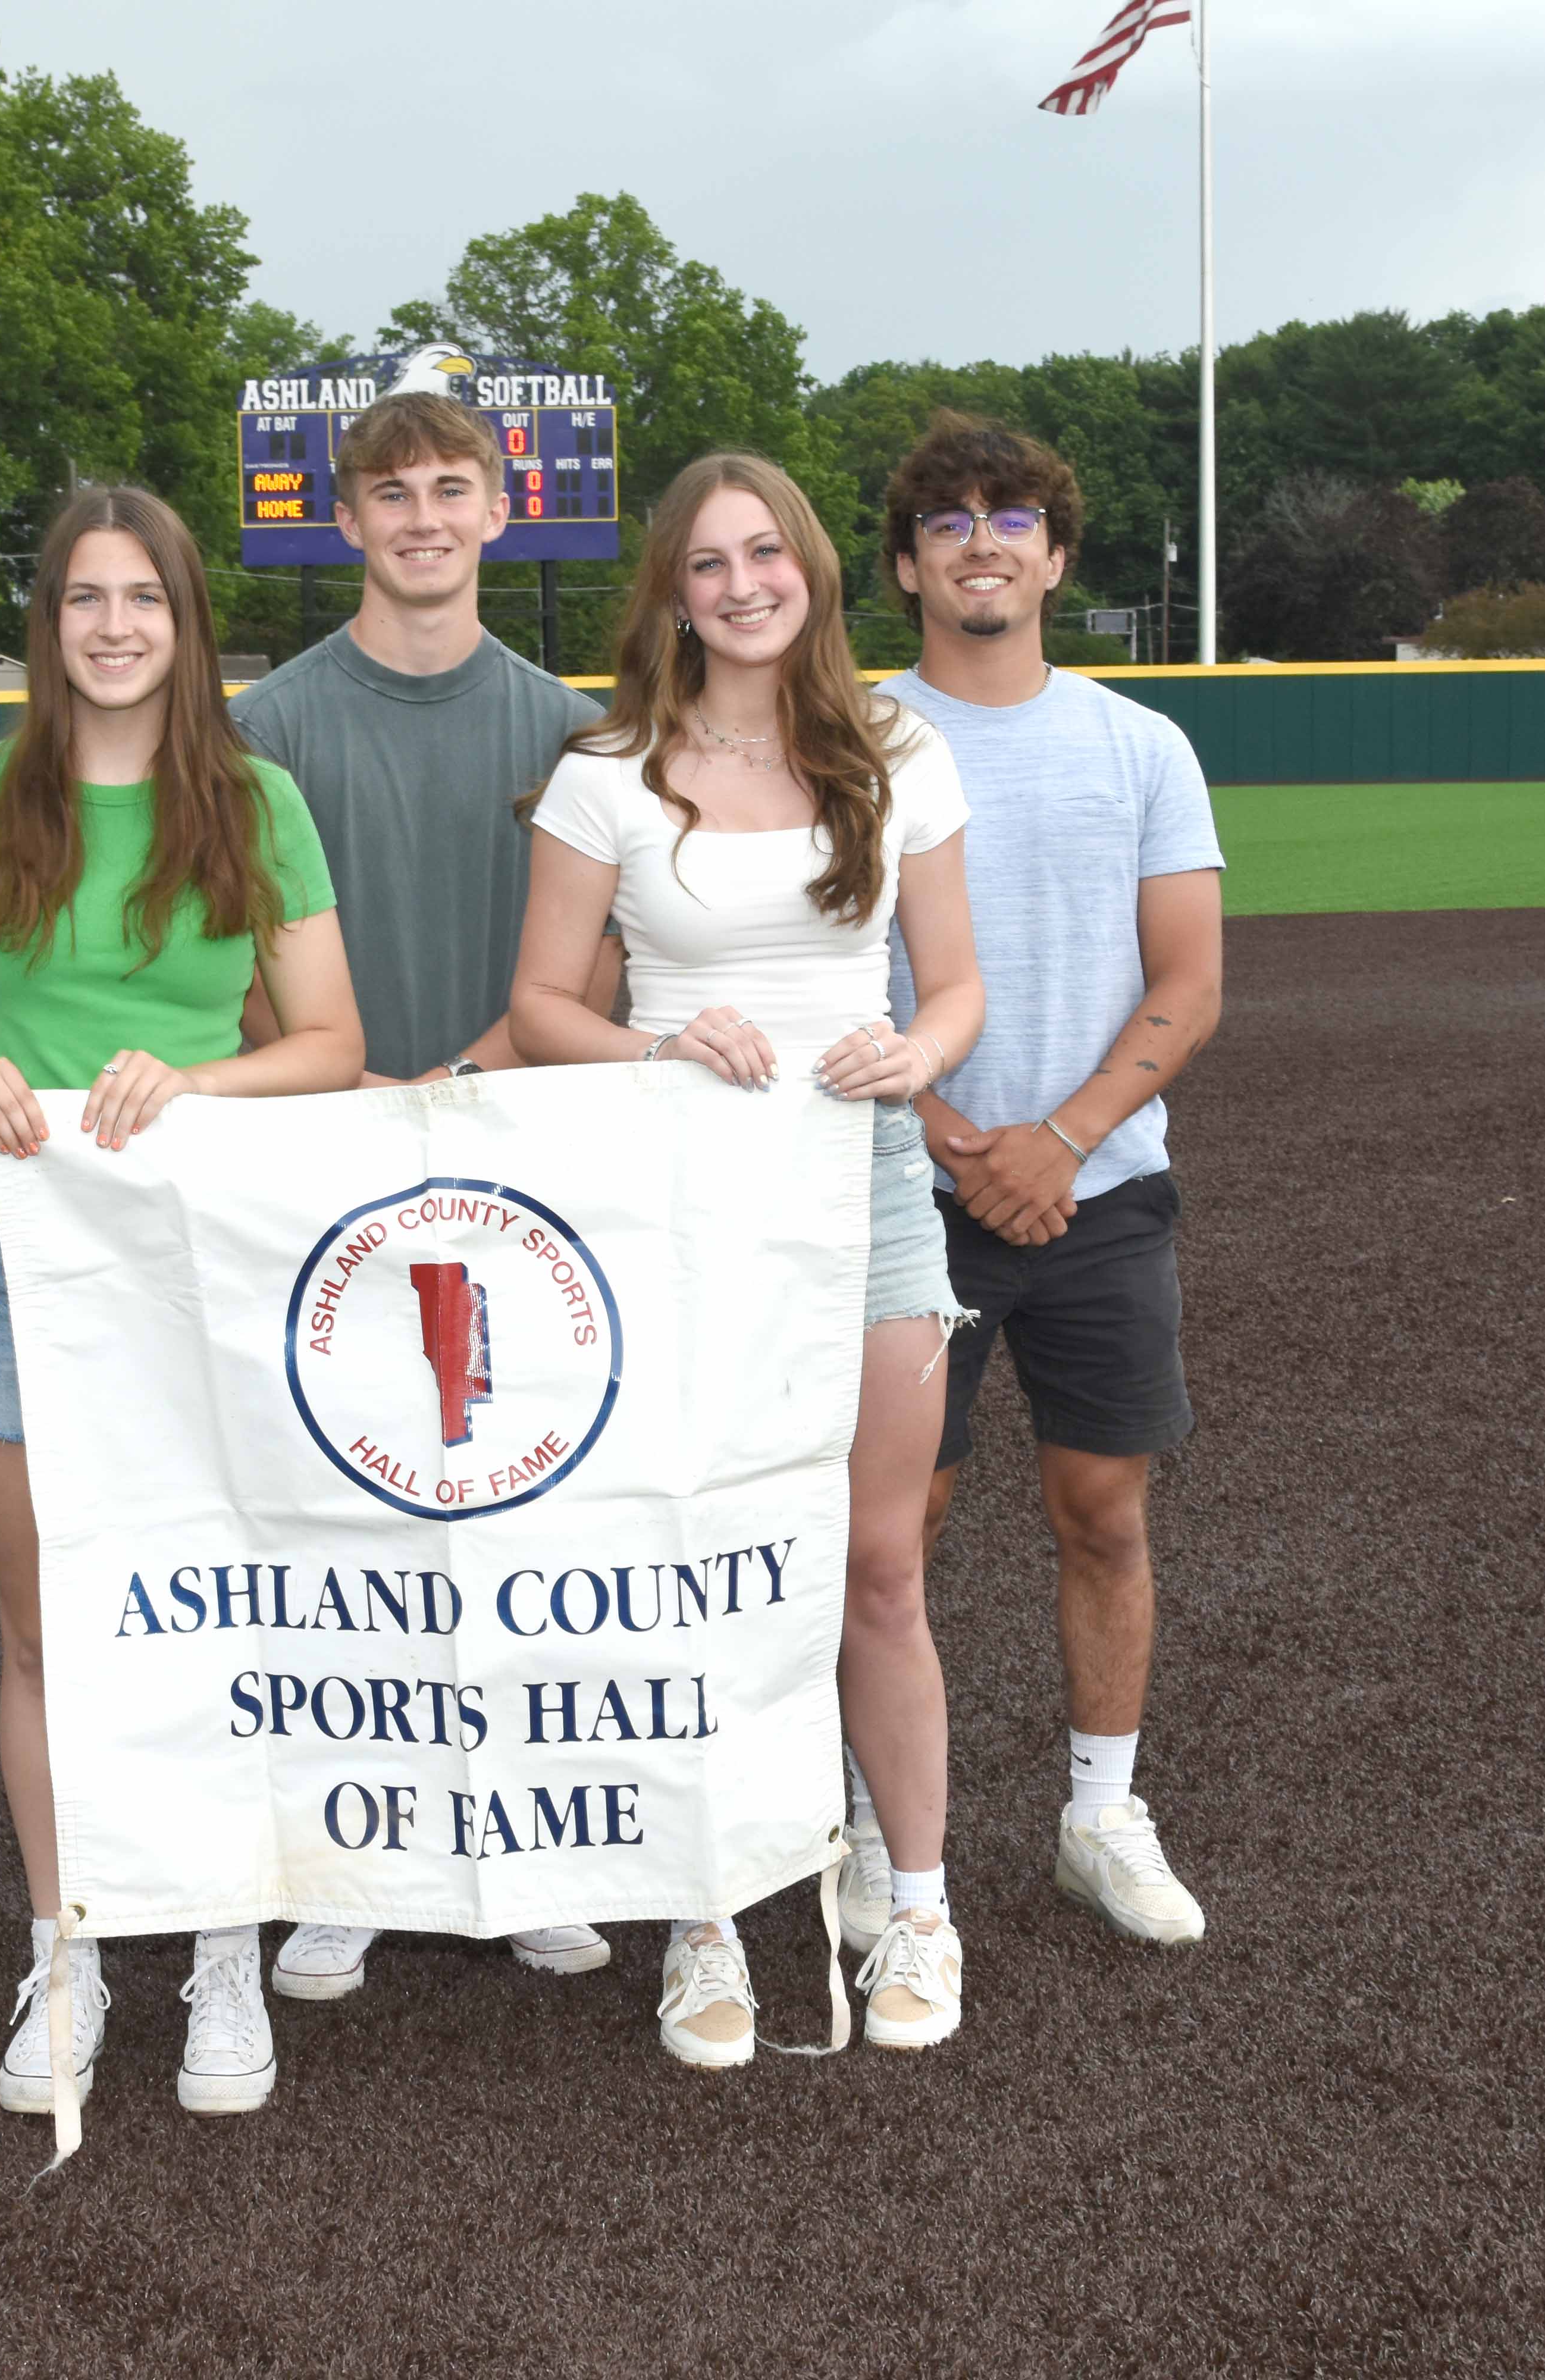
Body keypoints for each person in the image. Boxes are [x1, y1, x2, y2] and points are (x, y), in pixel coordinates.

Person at [0, 483, 366, 2118]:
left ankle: (223, 1948)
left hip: (209, 1256)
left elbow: (333, 1050)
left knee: (218, 1617)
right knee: (48, 1627)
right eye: (84, 598)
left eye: (142, 596)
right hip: (22, 1254)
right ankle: (69, 1945)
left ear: (184, 616)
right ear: (49, 623)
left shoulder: (258, 802)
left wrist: (205, 1079)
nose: (113, 626)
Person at [507, 450, 986, 2062]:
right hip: (675, 1204)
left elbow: (957, 992)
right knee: (696, 1568)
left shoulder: (899, 752)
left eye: (766, 554)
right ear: (673, 591)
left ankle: (914, 1900)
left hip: (864, 1185)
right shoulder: (608, 770)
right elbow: (542, 1010)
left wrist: (918, 1056)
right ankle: (703, 1918)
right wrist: (654, 1050)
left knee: (879, 1564)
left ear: (815, 573)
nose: (740, 586)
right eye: (708, 563)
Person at [227, 386, 628, 2003]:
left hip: (517, 1146)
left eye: (450, 488)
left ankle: (520, 1838)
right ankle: (349, 1855)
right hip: (319, 1157)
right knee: (340, 1501)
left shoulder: (571, 726)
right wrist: (343, 1094)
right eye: (388, 494)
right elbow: (232, 950)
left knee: (520, 1486)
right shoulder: (267, 724)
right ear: (346, 522)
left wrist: (463, 1087)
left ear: (500, 509)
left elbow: (595, 953)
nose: (421, 518)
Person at [866, 411, 1225, 1952]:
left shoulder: (1139, 744)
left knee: (1103, 1508)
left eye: (1013, 516)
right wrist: (956, 1133)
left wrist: (1060, 1139)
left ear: (1059, 555)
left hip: (1101, 1193)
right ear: (905, 566)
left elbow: (1191, 980)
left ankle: (1101, 1814)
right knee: (892, 1531)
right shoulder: (850, 736)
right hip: (899, 1190)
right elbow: (825, 975)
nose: (983, 539)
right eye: (948, 520)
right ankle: (871, 1840)